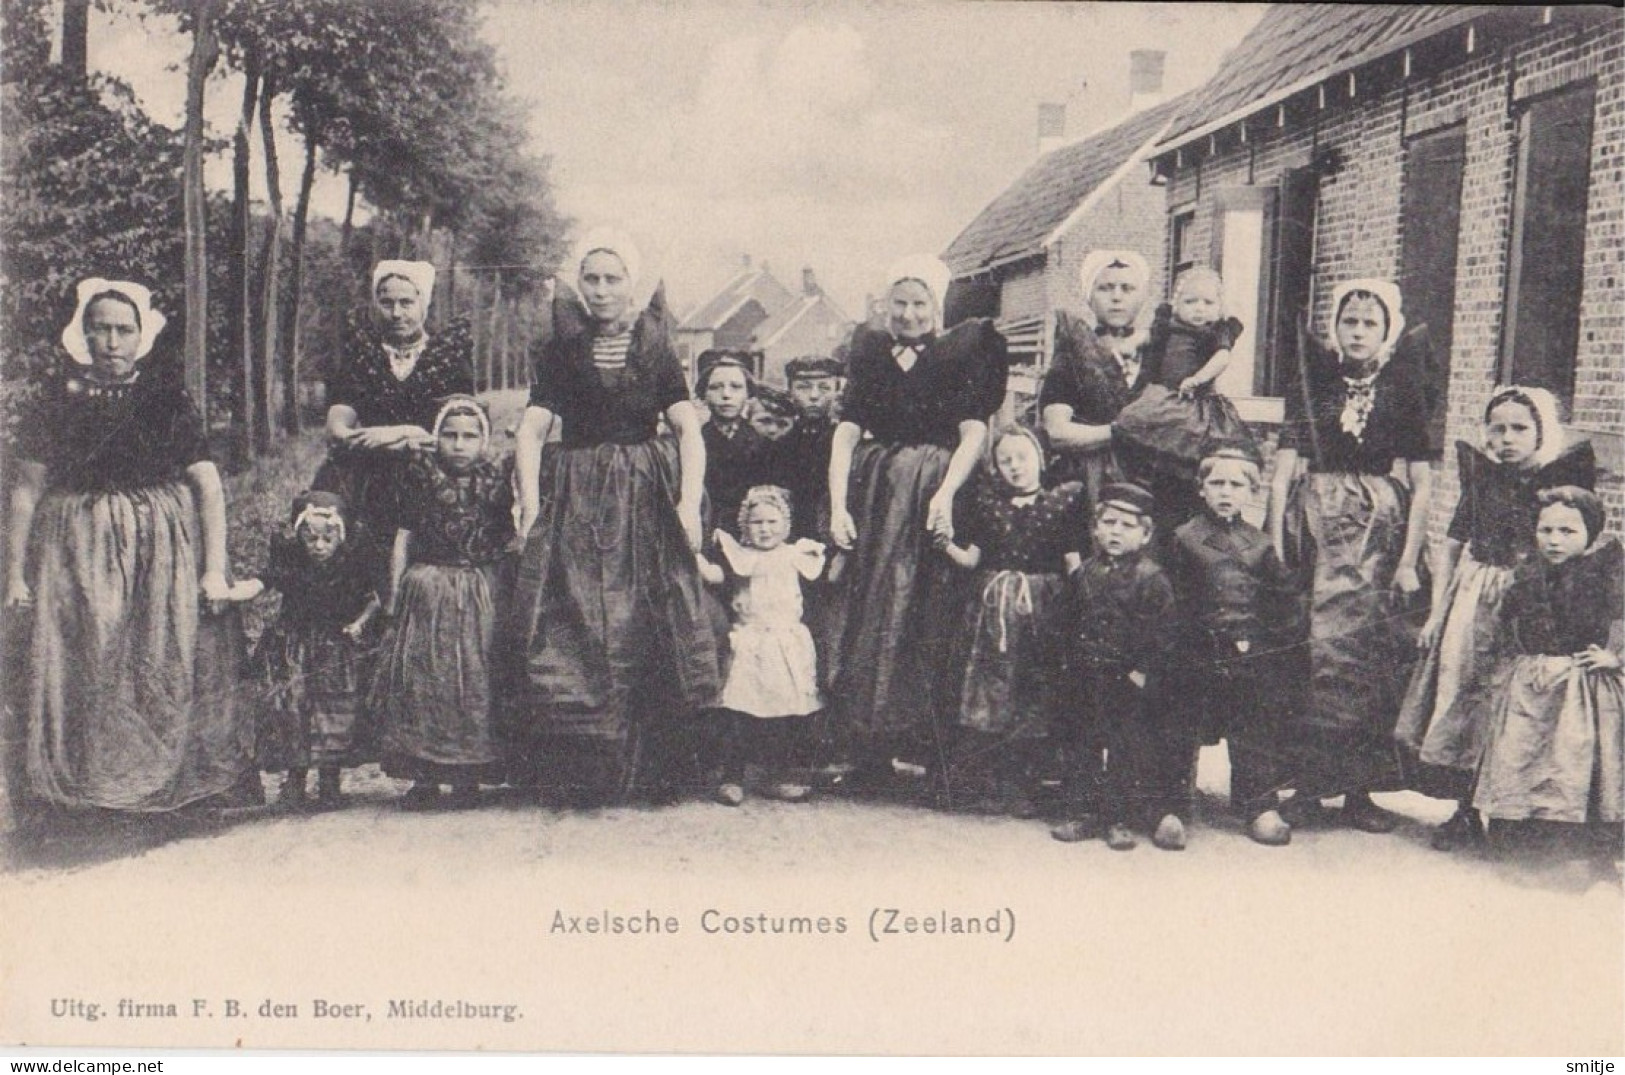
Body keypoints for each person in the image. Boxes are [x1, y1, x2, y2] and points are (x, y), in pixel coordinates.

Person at [5, 278, 251, 813]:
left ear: (142, 335)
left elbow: (206, 483)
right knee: (92, 655)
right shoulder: (56, 400)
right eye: (101, 329)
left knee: (165, 652)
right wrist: (15, 573)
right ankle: (94, 791)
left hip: (163, 546)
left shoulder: (164, 397)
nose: (112, 341)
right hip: (78, 546)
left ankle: (169, 784)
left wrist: (215, 569)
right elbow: (26, 489)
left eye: (124, 329)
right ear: (82, 333)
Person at [507, 229, 720, 805]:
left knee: (643, 616)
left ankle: (653, 771)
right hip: (577, 492)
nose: (601, 291)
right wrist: (529, 502)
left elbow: (687, 427)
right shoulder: (560, 349)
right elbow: (531, 428)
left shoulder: (654, 344)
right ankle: (583, 774)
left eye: (612, 279)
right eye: (591, 279)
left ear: (631, 284)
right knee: (577, 615)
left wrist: (687, 501)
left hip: (642, 492)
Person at [825, 254, 1009, 791]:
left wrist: (947, 495)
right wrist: (839, 504)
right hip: (879, 496)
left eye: (920, 304)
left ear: (937, 306)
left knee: (936, 613)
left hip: (938, 487)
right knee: (876, 612)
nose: (909, 314)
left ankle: (937, 761)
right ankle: (870, 755)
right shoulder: (870, 350)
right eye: (899, 303)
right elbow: (847, 431)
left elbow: (975, 431)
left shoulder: (967, 349)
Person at [1268, 278, 1438, 833]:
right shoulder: (1313, 382)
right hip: (1316, 520)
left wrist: (1410, 557)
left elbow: (1421, 478)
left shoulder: (1404, 388)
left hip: (1379, 529)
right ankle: (1308, 787)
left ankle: (1361, 791)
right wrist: (1274, 539)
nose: (1358, 331)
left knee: (1370, 655)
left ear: (1387, 332)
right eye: (1349, 322)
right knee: (1313, 651)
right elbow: (1285, 464)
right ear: (1336, 330)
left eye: (1369, 323)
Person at [1394, 387, 1595, 851]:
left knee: (1518, 702)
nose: (1507, 438)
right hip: (1475, 596)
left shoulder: (1559, 482)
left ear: (1541, 431)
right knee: (1466, 696)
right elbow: (1452, 543)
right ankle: (1463, 810)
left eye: (1520, 428)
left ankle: (1514, 813)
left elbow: (1575, 544)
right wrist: (1438, 608)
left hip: (1529, 601)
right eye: (1498, 428)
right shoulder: (1482, 478)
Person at [370, 396, 513, 810]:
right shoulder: (420, 476)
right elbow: (404, 536)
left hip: (479, 588)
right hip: (429, 587)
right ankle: (425, 775)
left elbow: (508, 535)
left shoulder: (495, 480)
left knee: (473, 679)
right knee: (426, 679)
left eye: (470, 436)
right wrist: (395, 595)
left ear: (483, 441)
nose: (459, 444)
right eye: (449, 435)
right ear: (436, 438)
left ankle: (468, 773)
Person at [936, 425, 1087, 816]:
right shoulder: (988, 505)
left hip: (1043, 609)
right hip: (993, 612)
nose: (1015, 467)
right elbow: (972, 558)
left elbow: (1073, 560)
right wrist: (946, 543)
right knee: (991, 690)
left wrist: (1087, 596)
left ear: (1041, 458)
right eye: (1005, 460)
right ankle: (987, 783)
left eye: (1022, 457)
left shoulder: (1065, 500)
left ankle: (1025, 785)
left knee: (1034, 688)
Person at [1473, 487, 1621, 874]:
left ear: (1591, 533)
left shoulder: (1605, 573)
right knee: (1522, 756)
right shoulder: (1525, 575)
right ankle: (1522, 842)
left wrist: (1615, 655)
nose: (1554, 540)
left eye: (1568, 531)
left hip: (1580, 685)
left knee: (1573, 761)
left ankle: (1581, 849)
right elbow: (1501, 625)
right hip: (1531, 681)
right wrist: (1505, 666)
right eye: (1546, 530)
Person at [1165, 446, 1303, 846]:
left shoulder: (1258, 544)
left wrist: (1271, 643)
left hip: (1247, 654)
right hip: (1194, 653)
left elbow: (1283, 601)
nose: (1226, 491)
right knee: (1179, 726)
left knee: (1254, 729)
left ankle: (1258, 804)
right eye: (1217, 483)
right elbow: (1169, 599)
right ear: (1202, 489)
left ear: (1251, 492)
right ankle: (1171, 805)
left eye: (1237, 484)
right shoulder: (1184, 538)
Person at [314, 260, 474, 584]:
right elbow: (338, 425)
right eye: (386, 303)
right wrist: (355, 436)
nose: (397, 313)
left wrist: (401, 432)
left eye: (406, 302)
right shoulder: (362, 354)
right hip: (368, 474)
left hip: (432, 474)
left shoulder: (448, 357)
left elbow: (458, 430)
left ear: (424, 305)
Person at [1052, 483, 1182, 850]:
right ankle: (1082, 813)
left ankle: (1118, 818)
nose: (1115, 531)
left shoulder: (1152, 578)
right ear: (1095, 529)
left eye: (1126, 526)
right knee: (1083, 745)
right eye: (1108, 522)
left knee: (1126, 749)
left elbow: (1164, 631)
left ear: (1145, 534)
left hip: (1126, 681)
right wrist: (1068, 666)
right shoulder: (1084, 574)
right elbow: (1066, 620)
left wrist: (1142, 671)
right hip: (1086, 676)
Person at [245, 492, 380, 810]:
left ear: (340, 538)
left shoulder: (350, 568)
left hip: (335, 648)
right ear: (300, 537)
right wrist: (235, 590)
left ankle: (330, 782)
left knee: (333, 711)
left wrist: (359, 623)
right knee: (294, 708)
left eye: (327, 539)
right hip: (296, 647)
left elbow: (373, 599)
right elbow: (264, 581)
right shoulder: (292, 565)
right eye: (311, 538)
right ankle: (294, 781)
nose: (319, 546)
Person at [696, 486, 826, 806]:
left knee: (783, 711)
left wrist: (848, 552)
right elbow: (715, 578)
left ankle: (777, 775)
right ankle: (732, 776)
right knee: (740, 709)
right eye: (757, 523)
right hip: (751, 640)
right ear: (745, 525)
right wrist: (694, 556)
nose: (765, 529)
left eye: (772, 522)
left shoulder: (797, 554)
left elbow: (826, 579)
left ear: (786, 524)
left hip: (785, 642)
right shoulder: (740, 556)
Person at [1112, 266, 1256, 537]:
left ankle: (1193, 511)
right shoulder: (1168, 325)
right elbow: (1147, 336)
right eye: (1190, 302)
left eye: (1208, 302)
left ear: (1219, 307)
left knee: (1192, 458)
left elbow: (1222, 358)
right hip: (1161, 399)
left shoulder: (1216, 332)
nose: (1199, 309)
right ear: (1177, 304)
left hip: (1195, 403)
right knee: (1134, 430)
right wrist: (1131, 343)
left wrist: (1199, 378)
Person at [1039, 250, 1150, 502]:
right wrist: (1121, 432)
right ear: (1089, 297)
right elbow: (1056, 430)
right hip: (1090, 479)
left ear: (1142, 297)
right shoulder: (1074, 353)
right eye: (1105, 288)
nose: (1117, 297)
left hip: (1150, 480)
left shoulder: (1159, 351)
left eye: (1127, 288)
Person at [695, 350, 768, 539]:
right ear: (703, 393)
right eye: (716, 387)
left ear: (749, 393)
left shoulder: (764, 444)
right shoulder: (694, 443)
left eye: (736, 387)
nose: (726, 395)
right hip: (704, 534)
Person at [771, 355, 844, 540]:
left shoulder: (844, 446)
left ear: (837, 391)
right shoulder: (777, 447)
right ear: (790, 392)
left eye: (824, 387)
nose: (814, 395)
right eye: (803, 387)